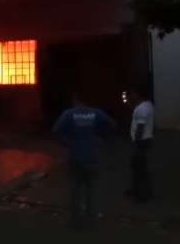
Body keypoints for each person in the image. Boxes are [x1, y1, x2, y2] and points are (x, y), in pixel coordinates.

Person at [53, 92, 116, 229]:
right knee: (91, 190)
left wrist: (68, 142)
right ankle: (91, 221)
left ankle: (75, 222)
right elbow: (112, 125)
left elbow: (56, 131)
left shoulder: (68, 114)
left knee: (75, 190)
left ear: (75, 100)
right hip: (92, 157)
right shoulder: (96, 113)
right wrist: (101, 138)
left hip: (75, 156)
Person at [125, 85, 154, 203]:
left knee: (140, 168)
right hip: (145, 140)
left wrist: (136, 142)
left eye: (133, 92)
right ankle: (136, 189)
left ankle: (142, 195)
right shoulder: (147, 105)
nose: (131, 95)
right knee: (137, 166)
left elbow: (140, 127)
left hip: (141, 141)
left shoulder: (142, 108)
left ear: (138, 94)